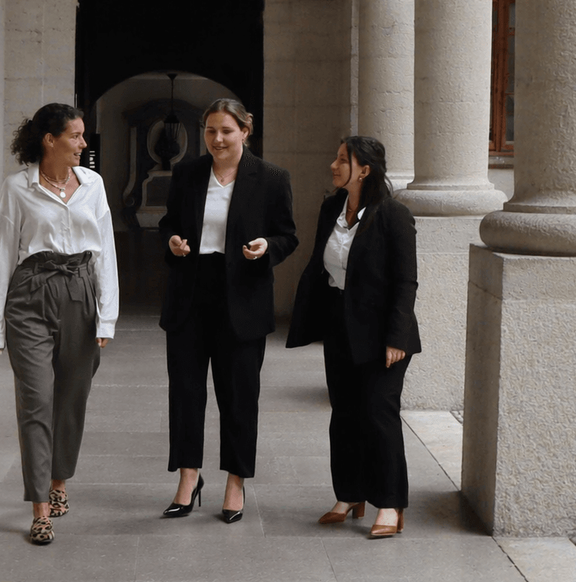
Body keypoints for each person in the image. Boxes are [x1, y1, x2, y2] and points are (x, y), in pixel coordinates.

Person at [159, 98, 297, 523]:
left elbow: (287, 235)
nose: (217, 139)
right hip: (190, 293)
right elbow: (168, 223)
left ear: (245, 131)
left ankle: (235, 482)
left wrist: (267, 248)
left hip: (243, 297)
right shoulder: (186, 173)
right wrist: (173, 241)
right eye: (210, 131)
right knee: (185, 393)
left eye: (226, 131)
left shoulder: (271, 178)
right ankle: (188, 477)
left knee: (239, 396)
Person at [0, 103, 118, 546]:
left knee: (72, 398)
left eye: (83, 136)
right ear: (50, 140)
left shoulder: (93, 184)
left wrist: (107, 314)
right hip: (30, 295)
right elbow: (3, 252)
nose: (84, 144)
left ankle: (60, 481)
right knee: (36, 399)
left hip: (80, 293)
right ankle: (40, 506)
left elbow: (105, 251)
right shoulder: (17, 188)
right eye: (76, 136)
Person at [287, 136, 420, 538]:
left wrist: (396, 337)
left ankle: (391, 504)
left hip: (384, 337)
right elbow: (321, 267)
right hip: (340, 327)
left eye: (343, 159)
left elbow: (406, 282)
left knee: (379, 415)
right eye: (336, 156)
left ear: (364, 170)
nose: (333, 164)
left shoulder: (394, 215)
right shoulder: (332, 207)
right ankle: (349, 494)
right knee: (343, 414)